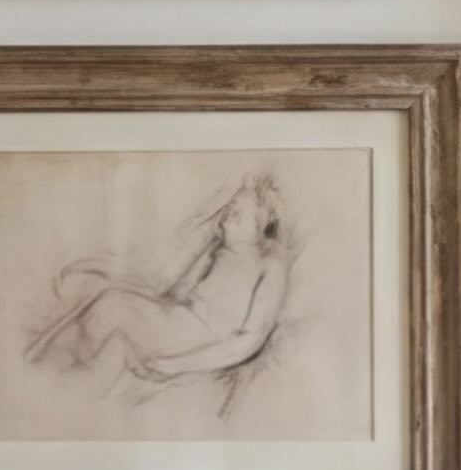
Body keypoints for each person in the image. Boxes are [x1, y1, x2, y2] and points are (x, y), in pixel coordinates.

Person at [25, 170, 295, 417]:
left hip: (199, 339)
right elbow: (166, 288)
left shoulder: (270, 262)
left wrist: (175, 365)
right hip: (178, 319)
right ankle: (48, 378)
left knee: (112, 309)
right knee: (108, 304)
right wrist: (100, 268)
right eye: (228, 210)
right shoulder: (220, 247)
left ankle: (46, 385)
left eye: (238, 214)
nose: (226, 218)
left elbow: (247, 342)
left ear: (261, 227)